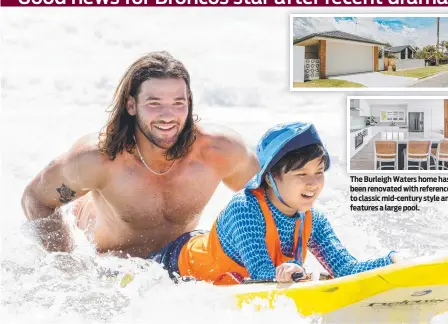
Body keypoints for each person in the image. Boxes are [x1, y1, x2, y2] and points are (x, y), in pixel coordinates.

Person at [21, 51, 260, 258]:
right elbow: (36, 200)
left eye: (178, 103)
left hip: (177, 261)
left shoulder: (220, 152)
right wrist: (66, 264)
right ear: (131, 106)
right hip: (108, 262)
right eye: (154, 103)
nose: (168, 115)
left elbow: (276, 199)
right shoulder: (98, 159)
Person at [149, 122, 399, 284]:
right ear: (269, 177)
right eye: (301, 174)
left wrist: (393, 262)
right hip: (171, 268)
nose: (313, 184)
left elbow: (346, 269)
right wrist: (291, 275)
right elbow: (263, 276)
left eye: (319, 172)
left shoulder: (314, 220)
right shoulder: (245, 210)